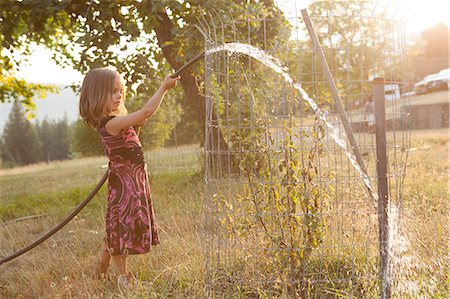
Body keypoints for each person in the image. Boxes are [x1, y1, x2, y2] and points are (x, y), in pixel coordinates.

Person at [79, 67, 180, 288]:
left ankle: (100, 270)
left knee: (117, 228)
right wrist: (163, 88)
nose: (118, 96)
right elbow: (145, 113)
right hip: (125, 186)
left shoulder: (118, 120)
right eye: (112, 91)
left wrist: (136, 125)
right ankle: (125, 279)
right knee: (120, 229)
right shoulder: (110, 123)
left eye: (120, 91)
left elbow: (138, 125)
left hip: (133, 181)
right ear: (97, 95)